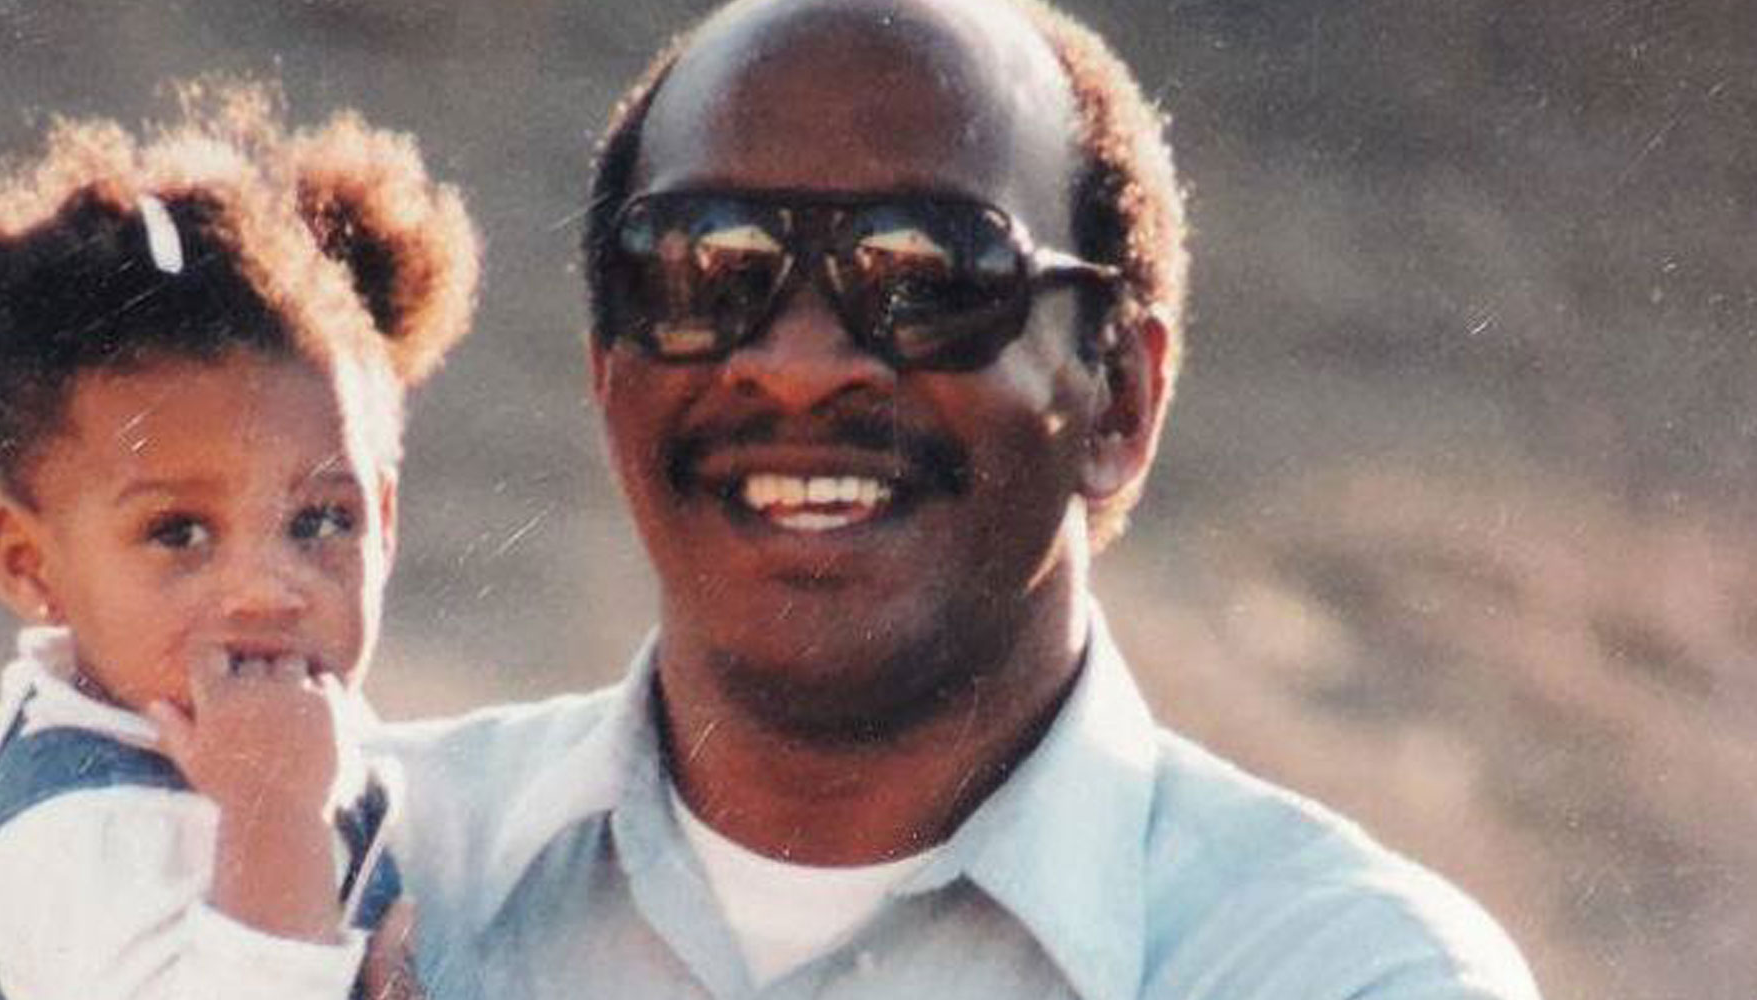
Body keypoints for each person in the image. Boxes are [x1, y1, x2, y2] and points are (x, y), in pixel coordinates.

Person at [341, 0, 1542, 997]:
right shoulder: (339, 872)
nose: (799, 363)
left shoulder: (1342, 972)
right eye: (705, 266)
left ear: (1119, 395)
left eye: (921, 274)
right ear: (608, 372)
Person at [0, 90, 478, 1000]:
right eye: (179, 533)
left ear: (386, 524)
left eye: (323, 520)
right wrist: (274, 819)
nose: (267, 586)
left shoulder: (259, 721)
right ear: (29, 564)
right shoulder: (82, 835)